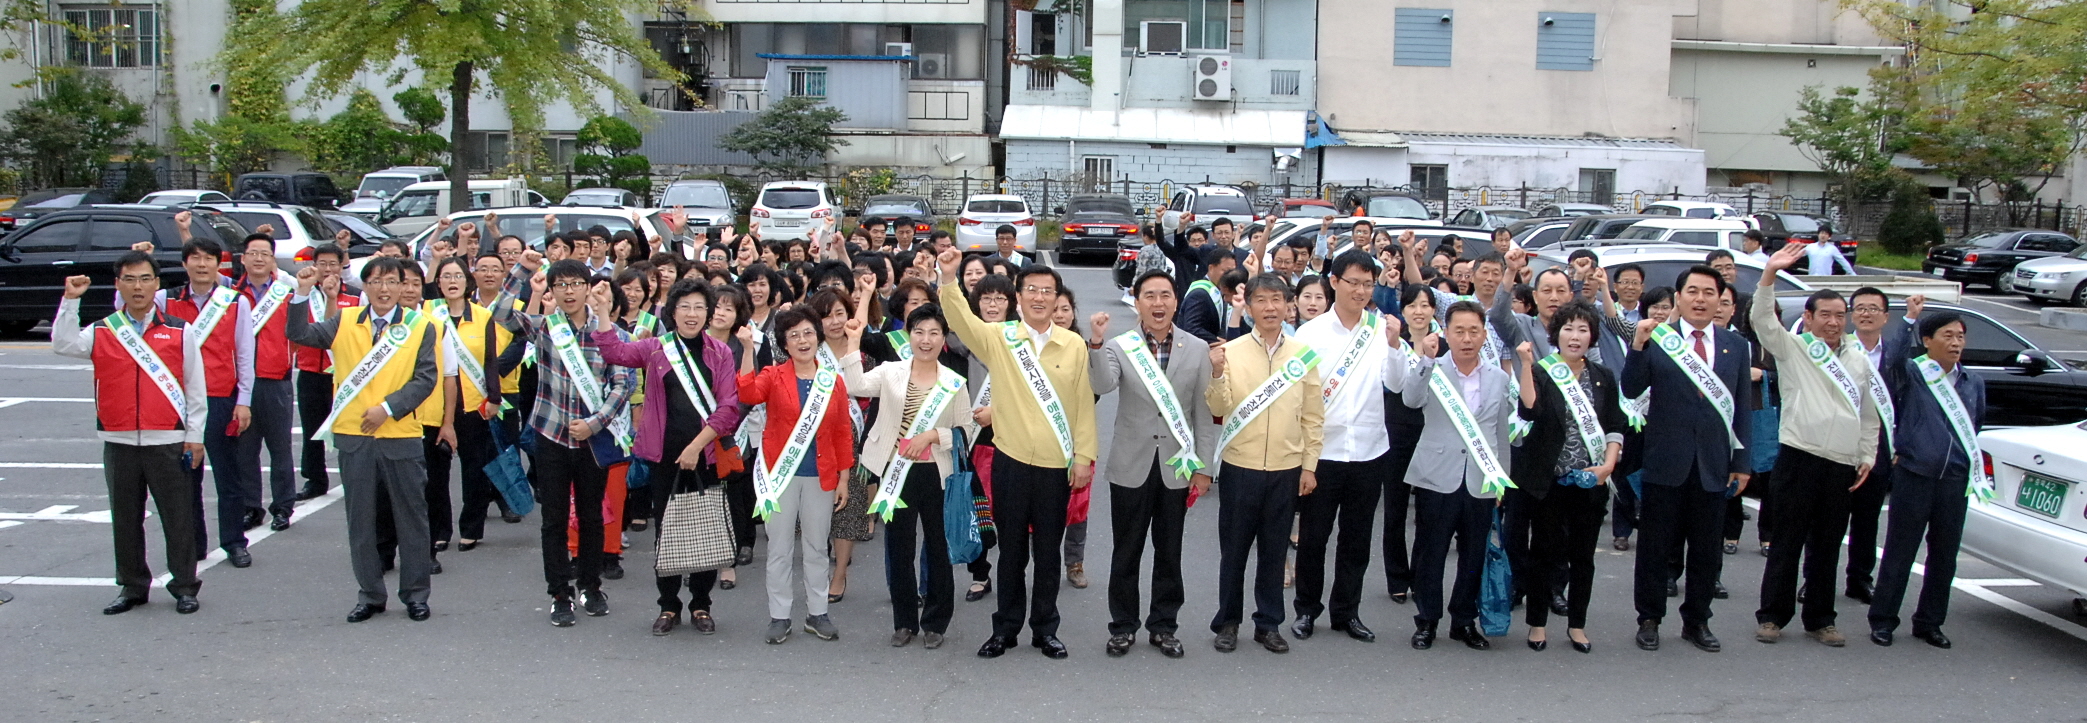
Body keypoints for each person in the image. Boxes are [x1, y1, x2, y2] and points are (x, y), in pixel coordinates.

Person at [936, 248, 1099, 660]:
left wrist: (1084, 457)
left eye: (1047, 291)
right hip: (1010, 463)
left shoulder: (1073, 345)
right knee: (1011, 552)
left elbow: (1082, 404)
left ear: (1057, 298)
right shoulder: (1001, 338)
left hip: (1054, 468)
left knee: (1047, 553)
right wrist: (949, 277)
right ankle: (1005, 629)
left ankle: (1045, 629)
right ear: (1019, 297)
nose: (1040, 298)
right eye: (1032, 290)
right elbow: (961, 322)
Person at [286, 257, 441, 622]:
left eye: (391, 281)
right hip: (355, 436)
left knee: (412, 519)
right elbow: (300, 335)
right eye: (376, 281)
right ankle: (370, 594)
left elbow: (425, 379)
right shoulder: (345, 321)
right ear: (365, 286)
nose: (384, 289)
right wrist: (301, 293)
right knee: (361, 521)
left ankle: (416, 594)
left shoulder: (420, 327)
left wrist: (388, 408)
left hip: (399, 434)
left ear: (403, 286)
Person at [1747, 244, 1883, 647]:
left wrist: (1866, 455)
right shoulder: (1796, 349)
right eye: (1825, 315)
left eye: (1840, 316)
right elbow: (1761, 320)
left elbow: (1869, 414)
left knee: (1827, 545)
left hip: (1840, 463)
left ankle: (1821, 618)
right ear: (1808, 317)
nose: (1833, 322)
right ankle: (1772, 616)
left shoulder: (1859, 359)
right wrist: (1770, 273)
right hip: (1799, 456)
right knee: (1787, 541)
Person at [54, 260, 208, 615]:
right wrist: (71, 301)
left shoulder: (179, 330)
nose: (138, 287)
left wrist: (195, 435)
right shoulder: (103, 330)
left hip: (167, 438)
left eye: (144, 279)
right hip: (119, 439)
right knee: (125, 517)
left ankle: (184, 585)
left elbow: (195, 388)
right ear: (118, 285)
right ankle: (132, 585)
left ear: (156, 284)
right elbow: (63, 344)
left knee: (177, 516)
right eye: (130, 280)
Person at [593, 278, 744, 637]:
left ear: (708, 314)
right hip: (665, 457)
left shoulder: (719, 353)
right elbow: (615, 352)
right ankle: (668, 605)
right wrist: (601, 311)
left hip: (704, 453)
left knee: (704, 530)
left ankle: (701, 603)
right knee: (669, 531)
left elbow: (728, 409)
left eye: (699, 308)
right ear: (672, 311)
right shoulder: (657, 348)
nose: (692, 314)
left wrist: (696, 446)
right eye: (685, 307)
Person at [494, 251, 637, 627]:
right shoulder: (545, 327)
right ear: (553, 290)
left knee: (591, 515)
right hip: (550, 434)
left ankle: (591, 585)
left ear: (589, 288)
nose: (569, 291)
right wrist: (523, 271)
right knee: (553, 519)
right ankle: (560, 592)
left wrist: (596, 422)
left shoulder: (610, 332)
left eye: (576, 284)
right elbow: (501, 314)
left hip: (592, 438)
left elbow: (623, 384)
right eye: (562, 285)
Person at [1087, 270, 1219, 659]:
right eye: (1149, 296)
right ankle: (1123, 626)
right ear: (1137, 301)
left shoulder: (1196, 348)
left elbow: (1202, 412)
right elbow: (1102, 385)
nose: (1158, 303)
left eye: (1165, 295)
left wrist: (1205, 467)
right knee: (1125, 551)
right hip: (1131, 464)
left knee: (1169, 552)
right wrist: (1095, 343)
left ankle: (1164, 626)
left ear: (1176, 301)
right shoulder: (1119, 346)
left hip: (1176, 467)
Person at [1623, 265, 1753, 653]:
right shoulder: (1659, 339)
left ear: (1719, 300)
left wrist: (1742, 462)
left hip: (1713, 463)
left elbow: (1742, 407)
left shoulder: (1735, 345)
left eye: (1708, 292)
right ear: (1678, 298)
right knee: (1654, 548)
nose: (1700, 299)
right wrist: (1638, 346)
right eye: (1692, 291)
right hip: (1666, 460)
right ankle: (1649, 618)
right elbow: (1631, 388)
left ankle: (1697, 620)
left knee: (1706, 550)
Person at [1290, 251, 1409, 645]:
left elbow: (1397, 385)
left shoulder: (1380, 329)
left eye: (1368, 283)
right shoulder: (1310, 334)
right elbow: (1299, 396)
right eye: (1354, 282)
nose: (1361, 290)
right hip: (1323, 453)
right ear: (1334, 282)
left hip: (1369, 451)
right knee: (1313, 538)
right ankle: (1307, 610)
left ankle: (1347, 611)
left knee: (1356, 540)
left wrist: (1395, 345)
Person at [1205, 273, 1326, 655]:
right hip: (1240, 466)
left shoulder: (1302, 355)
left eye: (1277, 299)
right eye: (1262, 300)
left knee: (1275, 552)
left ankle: (1268, 622)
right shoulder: (1233, 351)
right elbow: (1218, 408)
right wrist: (1217, 372)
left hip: (1286, 468)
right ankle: (1227, 621)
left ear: (1288, 304)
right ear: (1250, 305)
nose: (1270, 307)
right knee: (1235, 551)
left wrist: (1310, 465)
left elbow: (1313, 415)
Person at [838, 303, 969, 649]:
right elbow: (855, 385)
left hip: (936, 474)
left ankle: (936, 622)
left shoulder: (954, 381)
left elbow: (965, 429)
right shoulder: (890, 371)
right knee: (899, 548)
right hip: (896, 474)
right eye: (919, 332)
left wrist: (932, 436)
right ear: (908, 335)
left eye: (933, 333)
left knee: (938, 549)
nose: (925, 340)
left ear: (944, 339)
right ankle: (904, 621)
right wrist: (853, 344)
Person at [1509, 301, 1626, 654]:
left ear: (1592, 336)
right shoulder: (1545, 372)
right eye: (1568, 329)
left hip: (1590, 483)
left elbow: (1616, 427)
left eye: (1583, 330)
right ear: (1556, 333)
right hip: (1550, 483)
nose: (1575, 337)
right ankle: (1537, 624)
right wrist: (1527, 366)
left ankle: (1577, 625)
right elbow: (1528, 408)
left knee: (1583, 557)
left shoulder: (1604, 377)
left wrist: (1607, 466)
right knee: (1543, 553)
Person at [1867, 297, 1983, 649]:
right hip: (1916, 474)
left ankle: (1930, 621)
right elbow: (1891, 362)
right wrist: (1909, 321)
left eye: (1960, 336)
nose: (1956, 342)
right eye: (1947, 335)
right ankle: (1884, 619)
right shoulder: (1916, 374)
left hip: (1954, 480)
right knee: (1901, 551)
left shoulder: (1972, 382)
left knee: (1945, 555)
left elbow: (1975, 426)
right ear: (1929, 341)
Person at [738, 304, 855, 644]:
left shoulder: (831, 381)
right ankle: (779, 615)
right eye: (794, 335)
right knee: (779, 549)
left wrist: (844, 477)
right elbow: (748, 393)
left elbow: (842, 432)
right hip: (780, 476)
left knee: (817, 547)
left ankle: (818, 613)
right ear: (784, 344)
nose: (802, 340)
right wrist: (747, 350)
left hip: (821, 475)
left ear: (817, 337)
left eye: (807, 333)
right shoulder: (774, 376)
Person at [1400, 300, 1513, 651]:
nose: (1466, 338)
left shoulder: (1498, 377)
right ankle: (1427, 620)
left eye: (1474, 331)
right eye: (1459, 331)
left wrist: (1501, 478)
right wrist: (1427, 360)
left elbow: (1499, 432)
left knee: (1473, 555)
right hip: (1438, 474)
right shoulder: (1433, 368)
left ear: (1483, 335)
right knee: (1431, 551)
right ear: (1446, 332)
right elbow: (1410, 400)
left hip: (1480, 477)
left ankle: (1463, 620)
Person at [160, 237, 257, 567]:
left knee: (229, 476)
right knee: (187, 478)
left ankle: (234, 541)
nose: (202, 265)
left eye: (208, 259)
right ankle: (193, 543)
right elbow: (124, 307)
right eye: (195, 258)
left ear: (219, 265)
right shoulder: (166, 300)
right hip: (179, 401)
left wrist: (243, 400)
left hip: (220, 399)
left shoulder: (235, 302)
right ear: (185, 263)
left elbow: (245, 355)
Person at [234, 234, 300, 532]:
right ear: (243, 259)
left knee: (280, 448)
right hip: (240, 383)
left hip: (276, 380)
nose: (258, 259)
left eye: (265, 253)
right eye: (253, 253)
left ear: (273, 260)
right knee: (245, 450)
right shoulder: (230, 295)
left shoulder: (286, 293)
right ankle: (251, 507)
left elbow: (301, 331)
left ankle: (283, 506)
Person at [1842, 286, 1900, 605]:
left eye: (1873, 309)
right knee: (1827, 518)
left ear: (1885, 317)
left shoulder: (1896, 358)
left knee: (1867, 520)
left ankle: (1860, 579)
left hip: (1878, 449)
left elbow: (1903, 403)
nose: (1866, 313)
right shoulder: (1838, 351)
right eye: (1860, 308)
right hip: (1838, 446)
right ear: (1852, 314)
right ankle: (1814, 579)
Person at [294, 244, 360, 502]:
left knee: (345, 427)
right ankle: (315, 478)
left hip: (342, 373)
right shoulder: (302, 294)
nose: (328, 269)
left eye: (333, 263)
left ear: (341, 265)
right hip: (311, 370)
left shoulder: (354, 296)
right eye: (323, 263)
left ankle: (352, 475)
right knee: (312, 428)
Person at [1179, 245, 1239, 344]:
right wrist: (1217, 341)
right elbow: (1191, 328)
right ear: (1211, 268)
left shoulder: (1217, 289)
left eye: (1233, 271)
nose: (1230, 276)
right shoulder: (1199, 293)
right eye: (1226, 271)